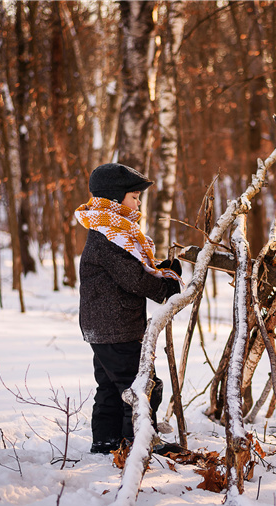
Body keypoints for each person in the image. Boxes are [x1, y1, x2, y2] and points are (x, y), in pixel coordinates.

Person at [74, 163, 182, 454]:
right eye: (134, 197)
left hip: (105, 327)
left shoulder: (109, 231)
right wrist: (166, 288)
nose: (138, 203)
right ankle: (138, 442)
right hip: (116, 327)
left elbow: (133, 269)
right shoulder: (110, 236)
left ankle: (108, 442)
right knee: (142, 386)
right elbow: (133, 277)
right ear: (113, 198)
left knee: (111, 387)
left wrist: (159, 270)